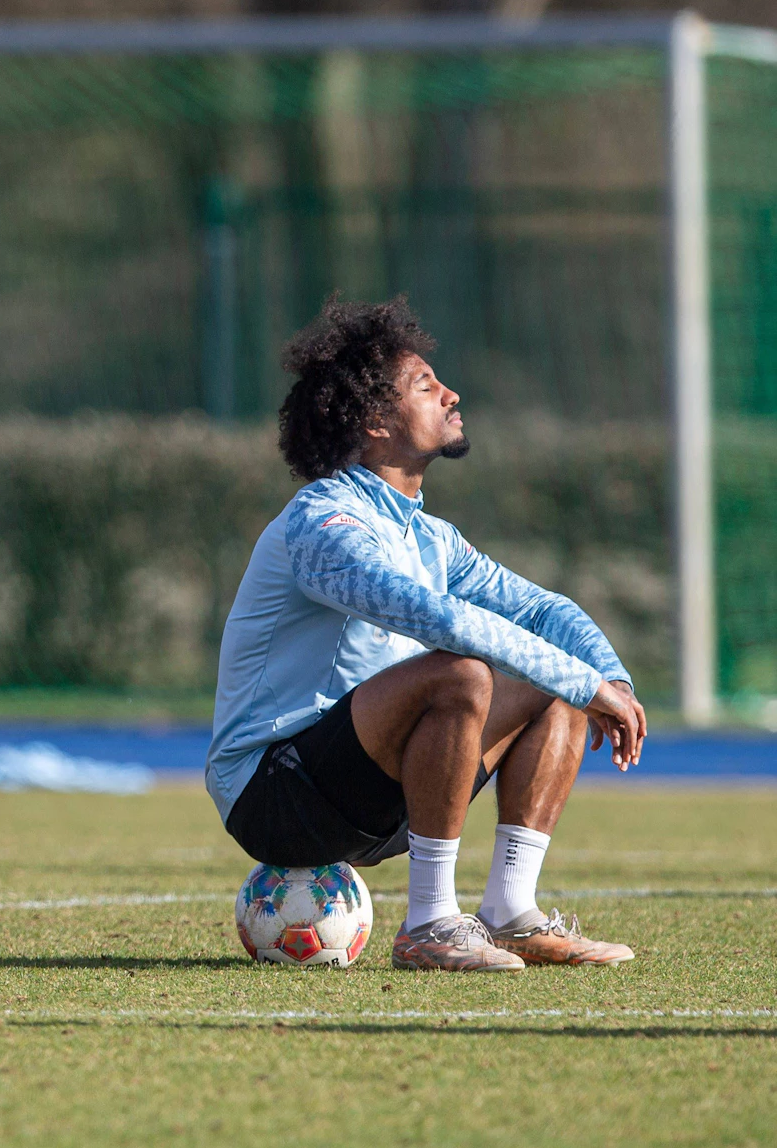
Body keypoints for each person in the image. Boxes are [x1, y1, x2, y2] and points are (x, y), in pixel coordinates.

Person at [207, 297, 646, 973]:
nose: (451, 393)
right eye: (425, 385)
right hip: (272, 792)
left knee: (548, 677)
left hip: (369, 786)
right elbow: (436, 621)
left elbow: (540, 609)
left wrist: (607, 679)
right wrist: (583, 680)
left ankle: (510, 914)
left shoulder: (430, 537)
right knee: (463, 672)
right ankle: (430, 925)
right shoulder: (322, 524)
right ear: (377, 423)